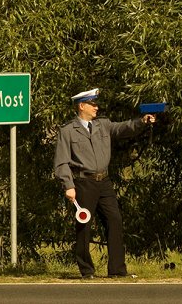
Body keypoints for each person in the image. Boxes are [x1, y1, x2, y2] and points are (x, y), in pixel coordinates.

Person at [54, 88, 156, 279]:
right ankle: (86, 271)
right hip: (83, 183)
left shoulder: (103, 125)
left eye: (96, 104)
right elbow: (61, 162)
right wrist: (68, 185)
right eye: (93, 104)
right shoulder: (67, 131)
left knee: (115, 221)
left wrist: (141, 122)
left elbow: (123, 128)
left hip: (104, 182)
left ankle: (117, 270)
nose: (96, 107)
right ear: (81, 106)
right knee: (84, 227)